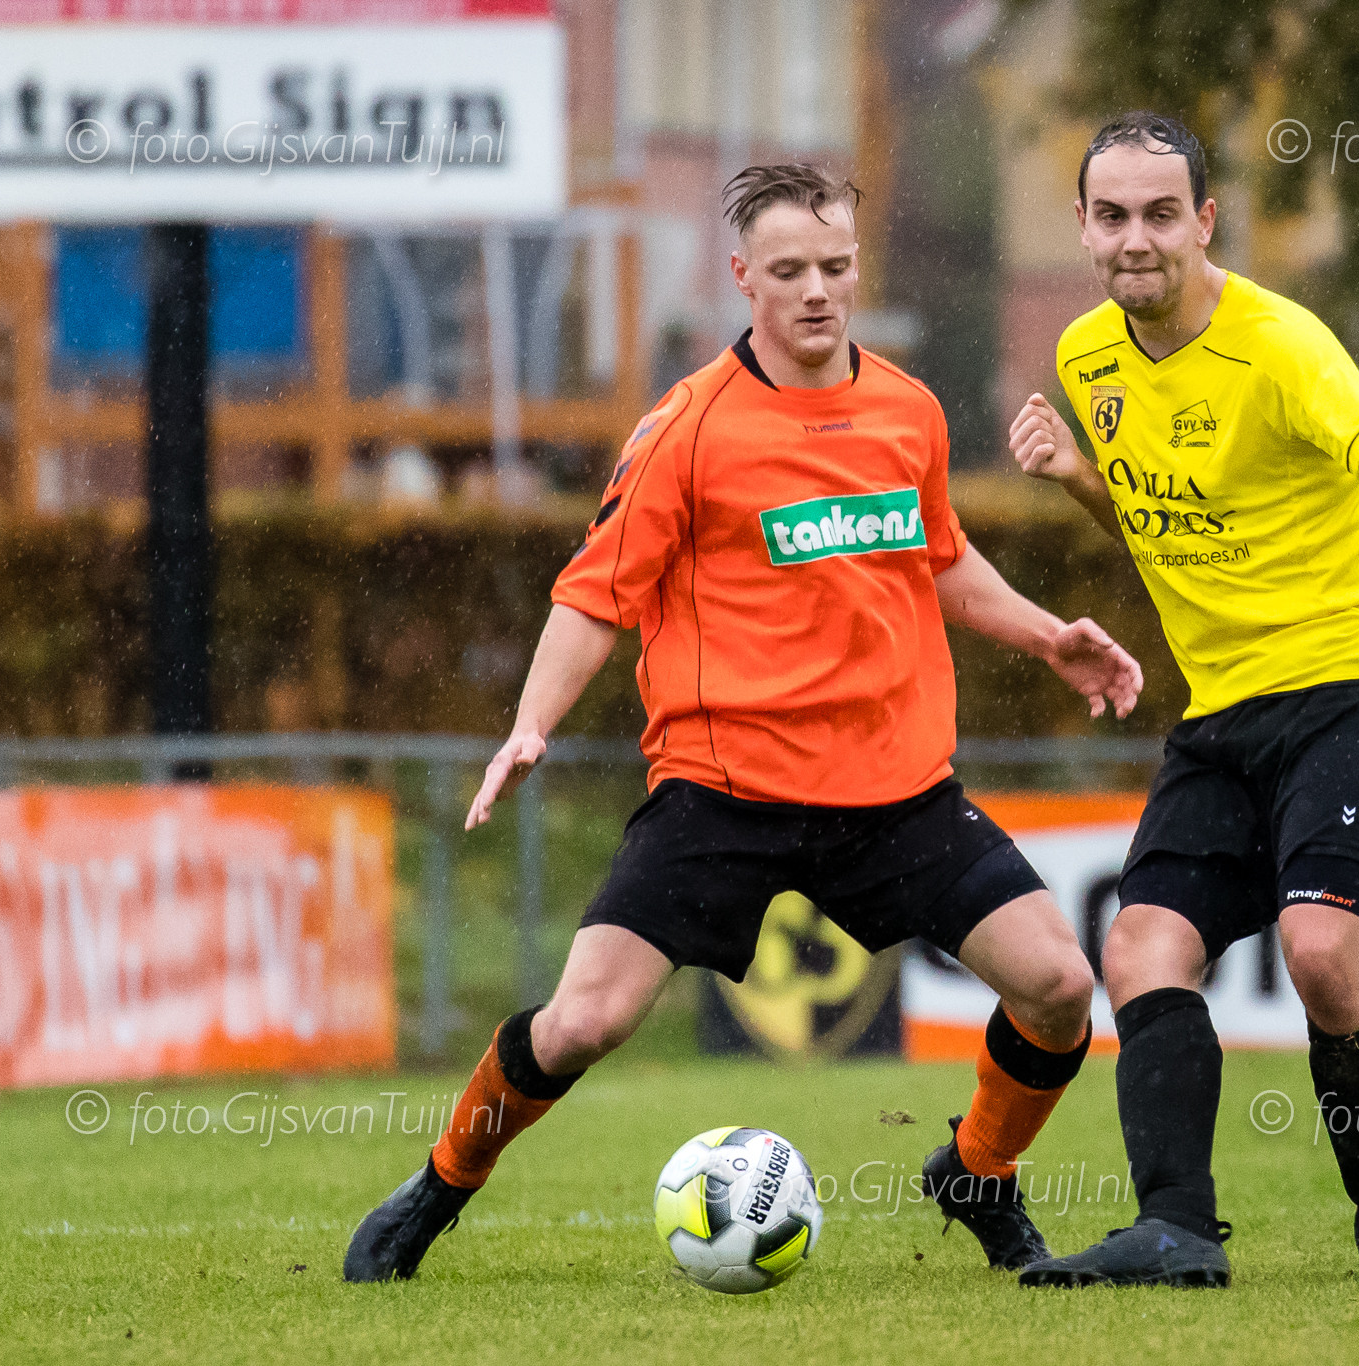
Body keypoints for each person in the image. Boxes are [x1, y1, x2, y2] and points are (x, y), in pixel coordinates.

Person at [343, 163, 1145, 1283]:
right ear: (742, 277)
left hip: (896, 793)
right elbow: (594, 593)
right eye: (789, 270)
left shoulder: (908, 409)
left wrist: (1047, 635)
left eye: (835, 266)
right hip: (722, 794)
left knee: (1058, 986)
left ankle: (976, 1171)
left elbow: (939, 557)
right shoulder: (686, 427)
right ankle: (440, 1184)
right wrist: (530, 722)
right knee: (581, 1023)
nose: (817, 290)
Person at [1007, 112, 1359, 1289]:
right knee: (1140, 947)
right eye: (1113, 215)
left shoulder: (1276, 341)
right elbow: (1159, 526)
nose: (1136, 238)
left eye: (1161, 214)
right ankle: (1175, 1230)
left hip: (1357, 688)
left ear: (1205, 221)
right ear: (1081, 226)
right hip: (1223, 715)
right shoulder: (1086, 357)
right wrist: (1077, 479)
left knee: (1320, 953)